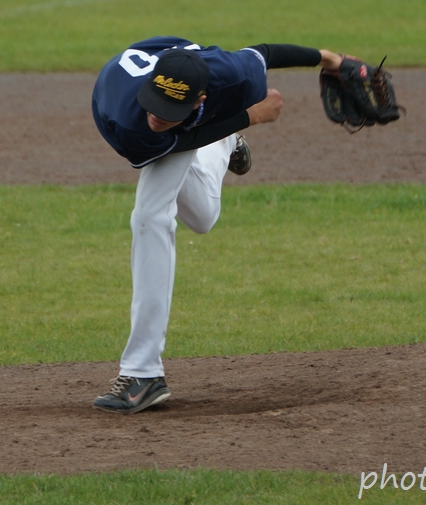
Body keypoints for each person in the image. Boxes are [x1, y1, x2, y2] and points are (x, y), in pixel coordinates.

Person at [90, 36, 344, 414]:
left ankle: (142, 373)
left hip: (196, 93)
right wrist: (249, 118)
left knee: (155, 216)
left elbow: (265, 53)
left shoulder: (232, 75)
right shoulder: (133, 121)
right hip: (128, 117)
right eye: (155, 101)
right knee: (196, 216)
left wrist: (330, 59)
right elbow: (177, 138)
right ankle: (226, 142)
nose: (157, 113)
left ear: (200, 101)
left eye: (170, 108)